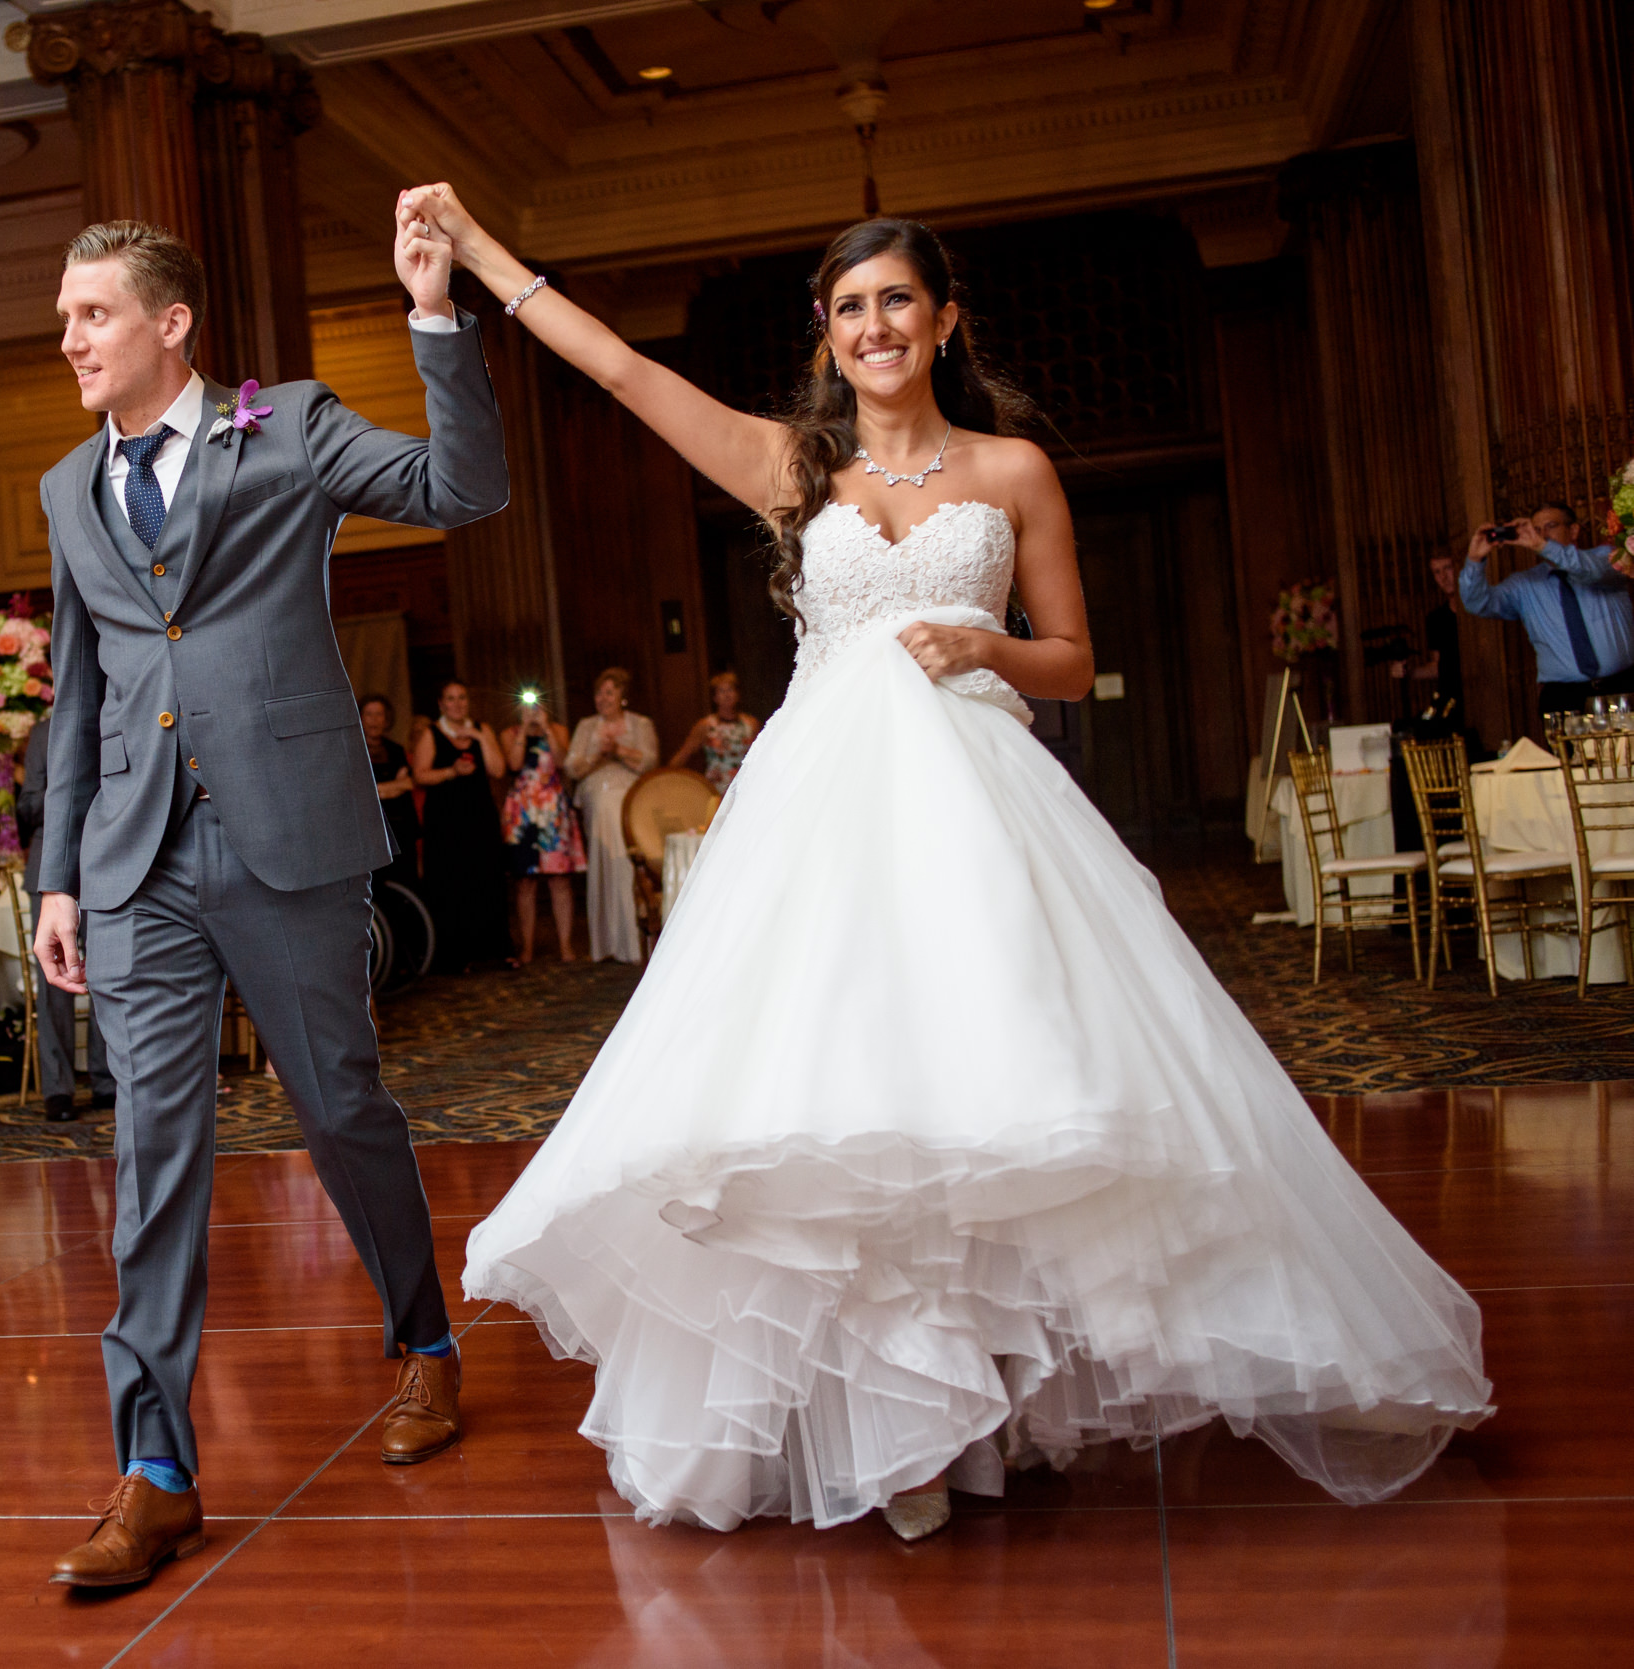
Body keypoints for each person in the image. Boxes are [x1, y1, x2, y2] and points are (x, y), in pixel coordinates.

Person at [403, 184, 1493, 1543]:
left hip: (982, 809)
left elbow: (1078, 664)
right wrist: (473, 257)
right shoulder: (793, 472)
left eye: (897, 301)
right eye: (850, 308)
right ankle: (887, 1426)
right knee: (839, 1096)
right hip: (823, 822)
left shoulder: (1011, 470)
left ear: (943, 319)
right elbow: (620, 363)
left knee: (997, 1085)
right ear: (827, 337)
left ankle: (984, 1392)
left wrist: (986, 647)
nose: (875, 326)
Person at [29, 214, 506, 1588]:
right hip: (133, 862)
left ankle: (424, 1342)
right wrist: (59, 872)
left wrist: (432, 319)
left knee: (341, 1106)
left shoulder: (283, 427)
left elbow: (459, 488)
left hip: (287, 837)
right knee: (151, 1152)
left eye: (92, 314)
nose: (69, 339)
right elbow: (80, 692)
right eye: (65, 317)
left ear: (171, 324)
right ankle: (156, 1468)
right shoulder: (69, 488)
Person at [19, 713, 116, 1124]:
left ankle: (108, 1079)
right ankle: (57, 1088)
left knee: (109, 972)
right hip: (51, 865)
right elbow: (26, 803)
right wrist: (72, 794)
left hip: (111, 858)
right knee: (53, 979)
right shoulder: (44, 731)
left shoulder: (118, 713)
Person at [1458, 502, 1634, 715]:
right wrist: (1475, 560)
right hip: (1563, 696)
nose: (1542, 535)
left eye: (1550, 526)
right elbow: (1477, 603)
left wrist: (1543, 546)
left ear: (1574, 530)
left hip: (1623, 685)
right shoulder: (1524, 584)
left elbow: (1591, 571)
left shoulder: (1606, 557)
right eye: (1536, 529)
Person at [410, 680, 512, 973]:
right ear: (441, 704)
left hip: (479, 817)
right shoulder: (432, 733)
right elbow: (420, 776)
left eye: (462, 698)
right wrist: (451, 772)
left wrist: (479, 738)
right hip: (446, 821)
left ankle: (496, 950)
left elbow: (498, 769)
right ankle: (458, 955)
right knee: (453, 885)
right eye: (451, 699)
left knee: (488, 880)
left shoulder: (482, 729)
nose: (457, 704)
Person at [564, 667, 659, 964]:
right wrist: (598, 756)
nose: (602, 698)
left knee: (625, 836)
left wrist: (619, 750)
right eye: (598, 693)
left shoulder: (640, 723)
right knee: (605, 806)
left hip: (631, 791)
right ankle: (608, 940)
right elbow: (571, 766)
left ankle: (635, 938)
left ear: (622, 696)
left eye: (609, 692)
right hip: (597, 789)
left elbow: (650, 760)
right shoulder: (586, 725)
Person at [498, 694, 583, 963]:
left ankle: (566, 946)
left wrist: (545, 728)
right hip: (522, 812)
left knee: (560, 879)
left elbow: (562, 762)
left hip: (553, 811)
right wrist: (525, 728)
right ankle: (527, 948)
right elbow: (512, 764)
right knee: (525, 881)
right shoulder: (509, 733)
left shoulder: (558, 731)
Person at [362, 696, 422, 897]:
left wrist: (378, 789)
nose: (374, 720)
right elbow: (362, 793)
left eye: (379, 714)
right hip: (369, 834)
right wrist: (390, 787)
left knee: (405, 889)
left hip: (400, 831)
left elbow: (407, 784)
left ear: (387, 719)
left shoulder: (396, 750)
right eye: (369, 714)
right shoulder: (353, 751)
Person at [668, 671, 761, 792]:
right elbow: (684, 754)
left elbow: (760, 755)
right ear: (715, 697)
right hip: (716, 788)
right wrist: (666, 777)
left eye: (730, 690)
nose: (727, 695)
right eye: (722, 691)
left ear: (737, 694)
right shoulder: (706, 725)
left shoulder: (750, 724)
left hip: (744, 786)